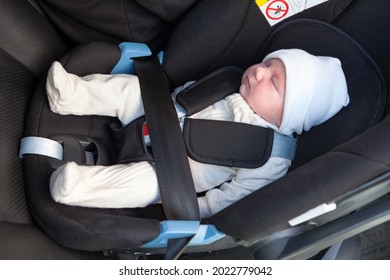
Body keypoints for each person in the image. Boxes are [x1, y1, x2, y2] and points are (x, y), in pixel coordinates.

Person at [46, 49, 349, 218]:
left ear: (292, 113)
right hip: (155, 117)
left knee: (140, 187)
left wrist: (197, 209)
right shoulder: (231, 83)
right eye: (267, 63)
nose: (258, 72)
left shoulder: (271, 155)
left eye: (274, 81)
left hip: (169, 174)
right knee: (130, 91)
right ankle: (72, 94)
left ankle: (78, 187)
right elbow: (185, 95)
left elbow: (235, 196)